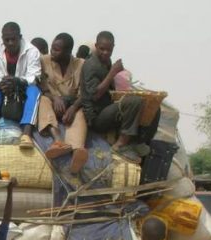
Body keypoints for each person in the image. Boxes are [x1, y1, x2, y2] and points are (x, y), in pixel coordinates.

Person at [80, 31, 159, 162]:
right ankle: (121, 144)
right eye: (102, 49)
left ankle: (139, 141)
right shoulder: (91, 65)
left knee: (152, 104)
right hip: (96, 116)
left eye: (109, 50)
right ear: (96, 46)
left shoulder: (106, 61)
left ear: (113, 48)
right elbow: (95, 95)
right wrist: (112, 72)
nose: (105, 52)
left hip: (108, 108)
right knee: (134, 101)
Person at [0, 22, 42, 149]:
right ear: (2, 39)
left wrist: (17, 82)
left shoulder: (32, 51)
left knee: (34, 91)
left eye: (13, 39)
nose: (10, 43)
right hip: (4, 90)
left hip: (24, 89)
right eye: (6, 40)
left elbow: (34, 76)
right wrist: (3, 84)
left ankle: (27, 133)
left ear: (20, 37)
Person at [37, 32, 88, 173]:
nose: (52, 51)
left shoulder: (81, 64)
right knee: (42, 100)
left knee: (81, 113)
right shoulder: (43, 61)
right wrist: (55, 98)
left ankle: (77, 151)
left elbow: (85, 93)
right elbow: (41, 86)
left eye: (56, 49)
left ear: (68, 51)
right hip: (52, 104)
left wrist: (73, 108)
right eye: (52, 48)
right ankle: (58, 140)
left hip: (71, 106)